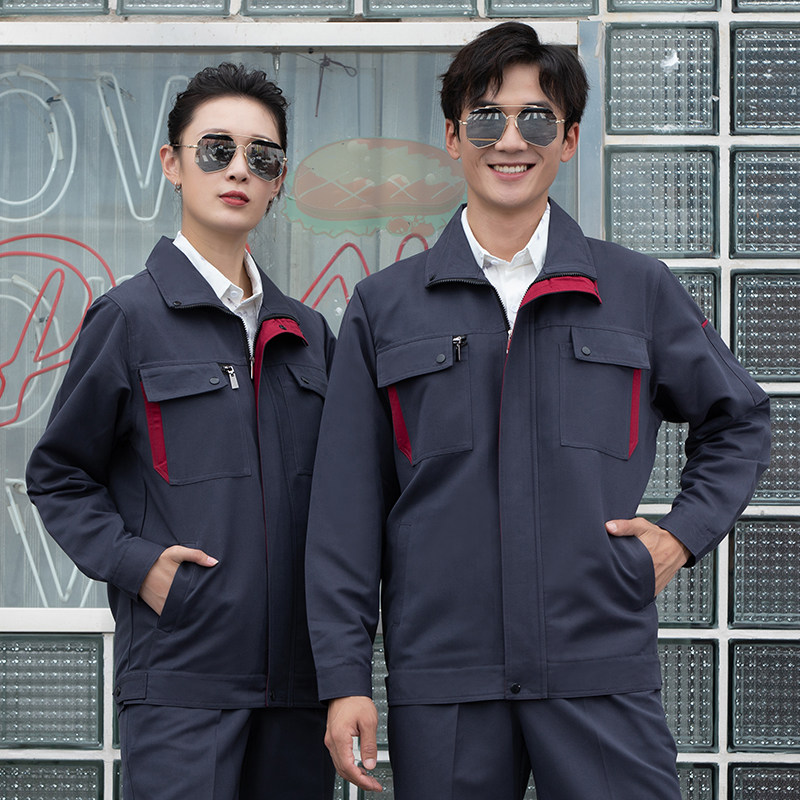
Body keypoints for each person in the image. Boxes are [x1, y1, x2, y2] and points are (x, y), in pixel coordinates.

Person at [305, 22, 770, 800]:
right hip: (447, 680)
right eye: (486, 117)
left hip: (598, 669)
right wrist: (344, 677)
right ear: (453, 137)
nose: (511, 139)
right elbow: (345, 510)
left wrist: (679, 537)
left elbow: (740, 420)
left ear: (570, 140)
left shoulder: (634, 290)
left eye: (538, 119)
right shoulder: (385, 308)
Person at [27, 63, 336, 800]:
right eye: (216, 149)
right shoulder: (129, 320)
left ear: (278, 181)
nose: (239, 170)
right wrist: (141, 566)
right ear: (172, 163)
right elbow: (58, 475)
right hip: (181, 686)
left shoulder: (308, 334)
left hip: (299, 689)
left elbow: (343, 495)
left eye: (262, 156)